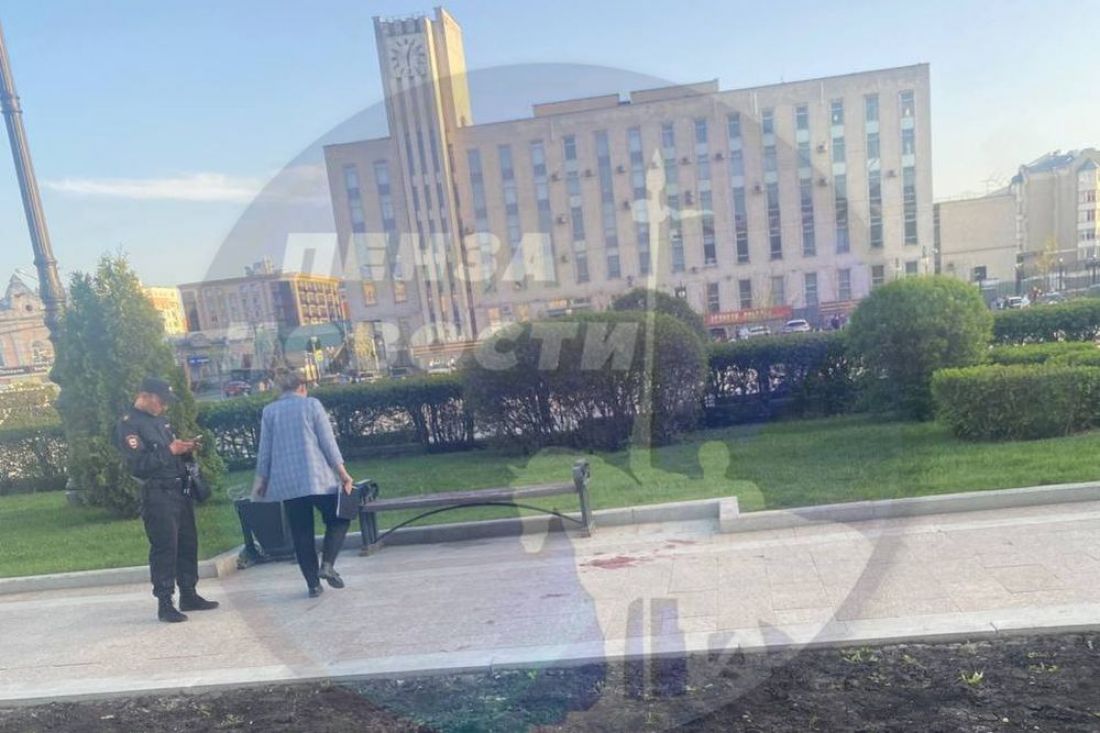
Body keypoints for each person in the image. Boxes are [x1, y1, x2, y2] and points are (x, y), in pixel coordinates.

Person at [116, 376, 219, 623]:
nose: (164, 406)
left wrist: (184, 449)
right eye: (161, 401)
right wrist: (170, 450)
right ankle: (165, 602)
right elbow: (139, 465)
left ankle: (189, 593)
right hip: (157, 494)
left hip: (179, 489)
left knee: (187, 543)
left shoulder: (160, 421)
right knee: (165, 547)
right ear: (145, 396)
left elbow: (169, 452)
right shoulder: (128, 425)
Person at [254, 367, 355, 597]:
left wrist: (263, 480)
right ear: (302, 386)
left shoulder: (269, 411)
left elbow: (265, 450)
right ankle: (327, 564)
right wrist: (343, 474)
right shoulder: (312, 405)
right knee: (339, 518)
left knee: (301, 532)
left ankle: (313, 585)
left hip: (288, 483)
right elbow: (328, 442)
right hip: (316, 478)